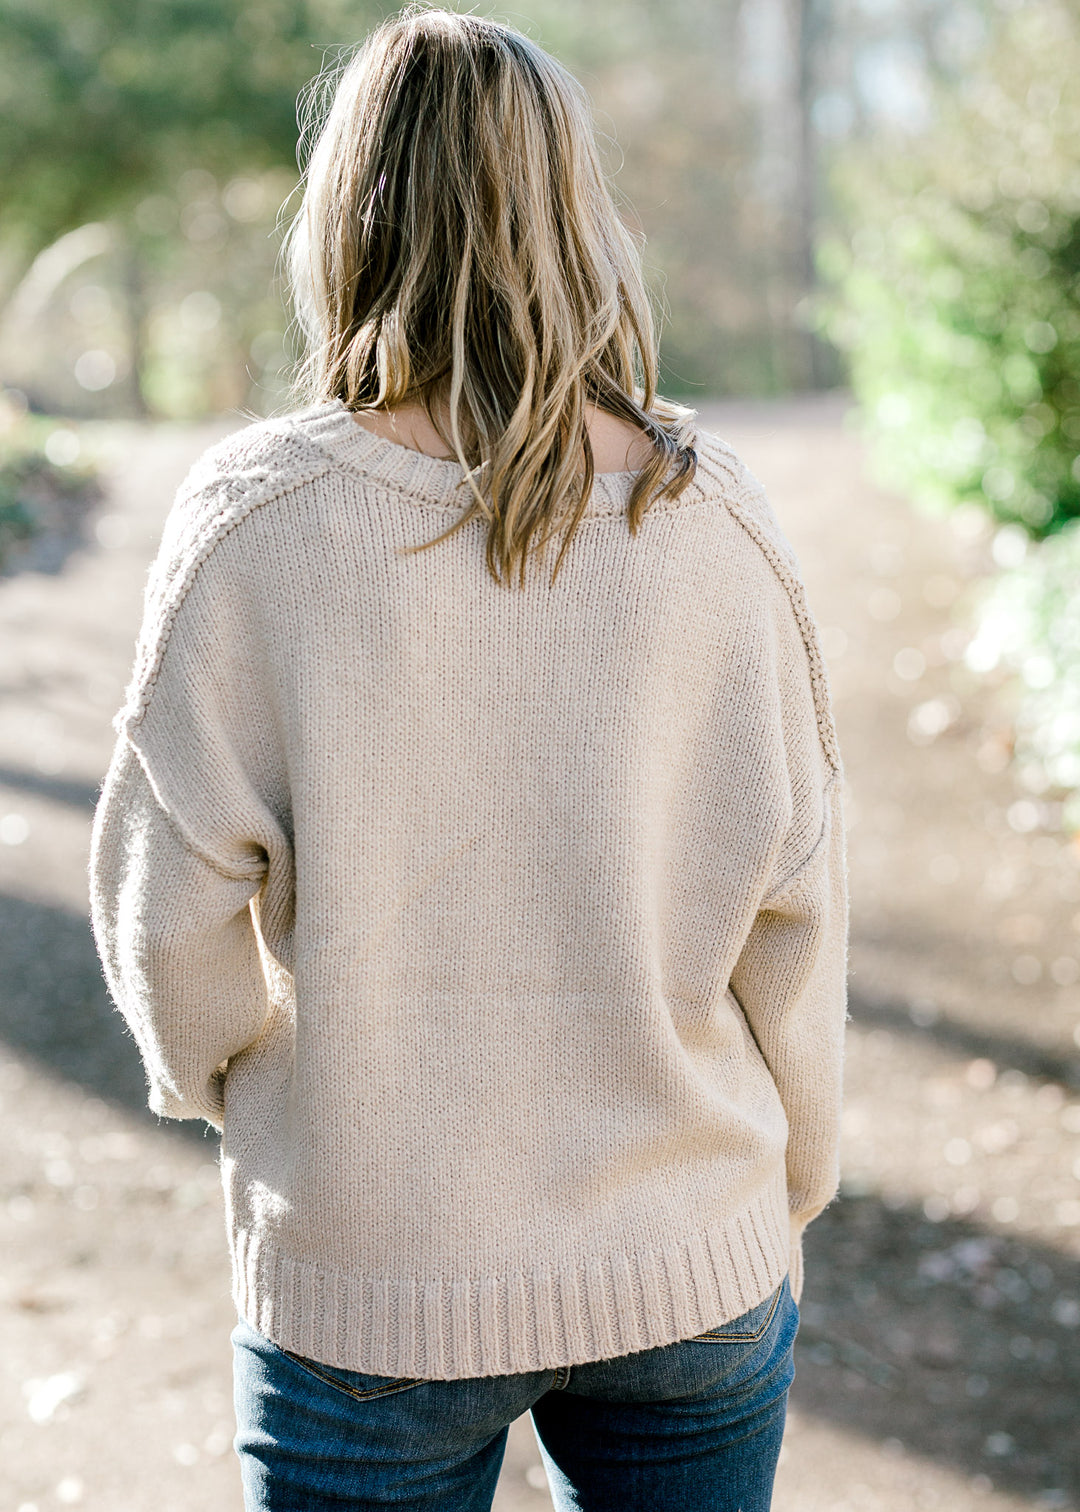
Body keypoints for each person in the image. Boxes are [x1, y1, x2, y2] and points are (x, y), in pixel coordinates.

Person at [89, 8, 848, 1510]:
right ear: (579, 211)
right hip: (688, 1259)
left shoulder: (254, 524)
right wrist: (782, 1180)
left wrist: (264, 1092)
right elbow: (796, 910)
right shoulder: (718, 519)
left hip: (371, 1262)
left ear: (347, 220)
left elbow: (166, 925)